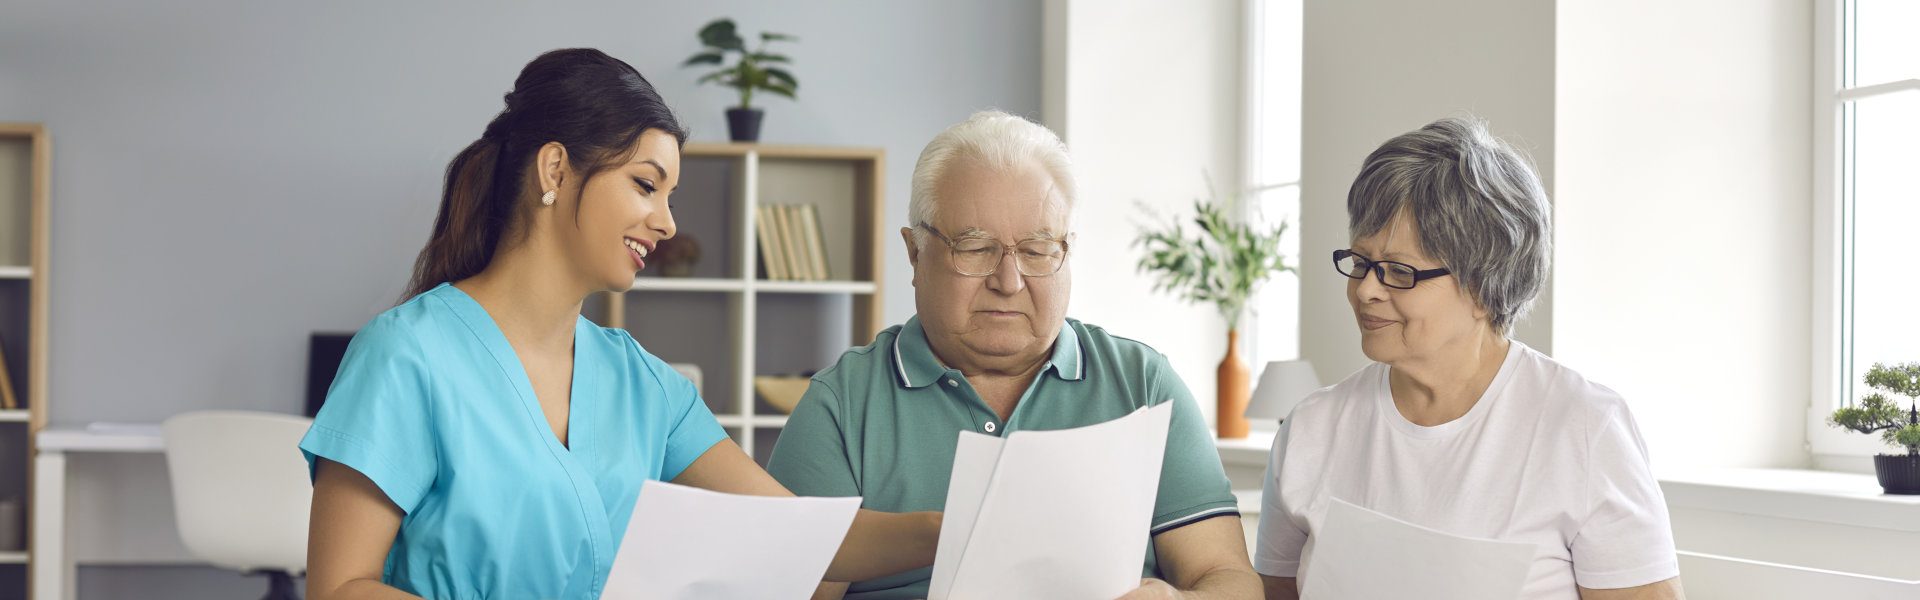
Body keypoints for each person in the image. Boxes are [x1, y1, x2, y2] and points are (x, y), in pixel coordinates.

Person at [298, 48, 940, 600]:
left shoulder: (643, 383)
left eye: (670, 197)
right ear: (555, 170)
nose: (666, 223)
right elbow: (338, 587)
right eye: (645, 185)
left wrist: (947, 529)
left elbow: (803, 537)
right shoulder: (407, 354)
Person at [766, 110, 1261, 600]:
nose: (1009, 281)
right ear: (915, 253)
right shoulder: (842, 404)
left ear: (1068, 251)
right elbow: (789, 590)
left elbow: (1228, 578)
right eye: (975, 247)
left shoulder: (1143, 385)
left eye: (1038, 249)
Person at [1254, 117, 1685, 600]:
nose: (1366, 290)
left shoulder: (1584, 428)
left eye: (1399, 271)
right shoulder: (1311, 428)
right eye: (1360, 263)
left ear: (1484, 287)